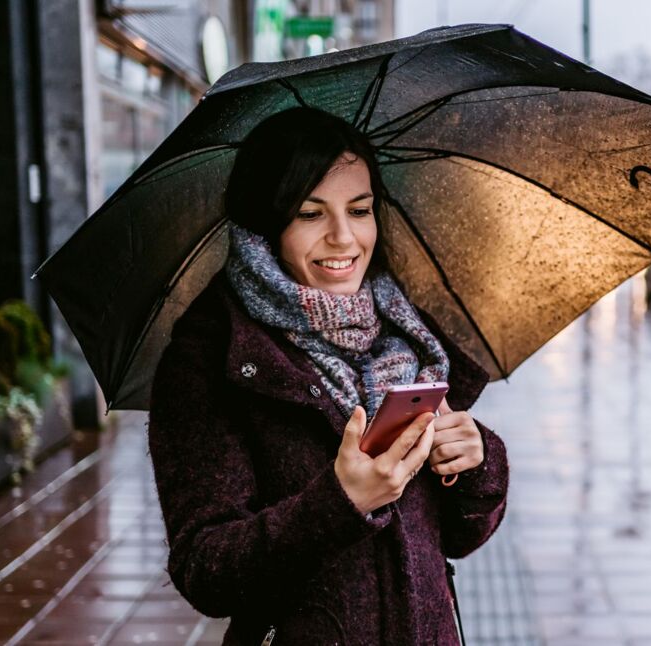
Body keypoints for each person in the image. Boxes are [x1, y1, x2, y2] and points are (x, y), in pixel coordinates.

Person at [147, 106, 509, 645]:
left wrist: (474, 460)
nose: (344, 238)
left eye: (359, 210)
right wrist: (340, 503)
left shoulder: (410, 335)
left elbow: (456, 537)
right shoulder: (210, 355)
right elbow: (206, 570)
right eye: (310, 213)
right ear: (267, 221)